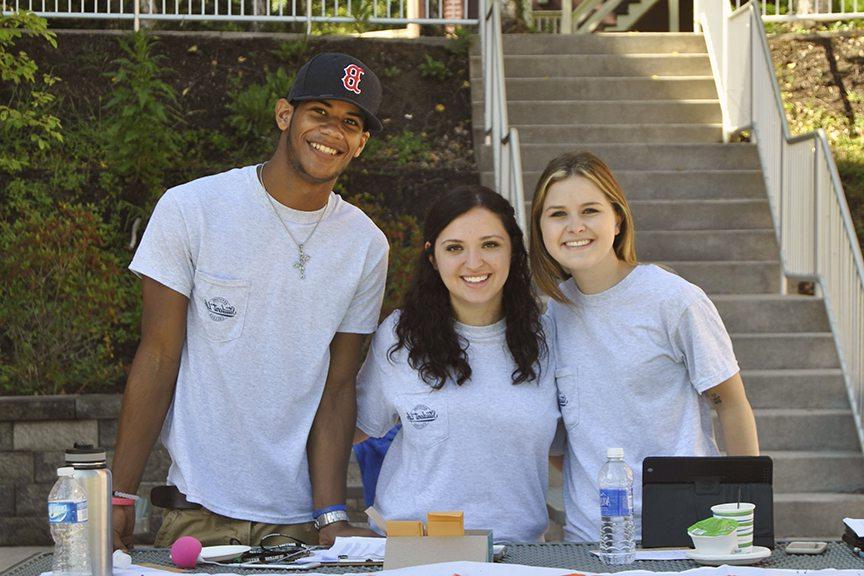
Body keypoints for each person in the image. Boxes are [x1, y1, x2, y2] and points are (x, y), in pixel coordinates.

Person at [111, 52, 389, 550]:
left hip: (300, 521)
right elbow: (158, 357)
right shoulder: (192, 209)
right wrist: (119, 497)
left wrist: (331, 516)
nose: (332, 131)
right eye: (319, 112)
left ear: (361, 144)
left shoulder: (367, 245)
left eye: (350, 122)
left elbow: (338, 386)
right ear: (285, 115)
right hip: (197, 513)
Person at [529, 151, 759, 543]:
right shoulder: (552, 317)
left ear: (617, 219)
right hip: (590, 542)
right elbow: (564, 442)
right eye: (557, 214)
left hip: (684, 535)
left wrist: (748, 512)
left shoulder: (674, 300)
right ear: (541, 228)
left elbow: (731, 405)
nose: (574, 227)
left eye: (590, 210)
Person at [354, 185, 560, 543]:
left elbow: (569, 449)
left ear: (514, 250)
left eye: (490, 245)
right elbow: (355, 427)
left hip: (518, 553)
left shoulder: (549, 335)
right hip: (415, 550)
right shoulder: (401, 336)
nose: (474, 263)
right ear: (433, 257)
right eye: (454, 248)